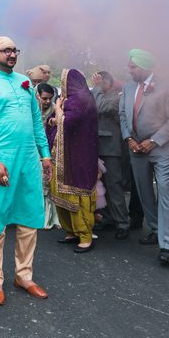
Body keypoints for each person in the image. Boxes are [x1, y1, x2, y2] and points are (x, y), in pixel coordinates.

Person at [0, 37, 52, 306]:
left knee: (29, 218)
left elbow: (36, 123)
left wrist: (46, 155)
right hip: (2, 161)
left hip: (29, 160)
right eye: (6, 50)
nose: (12, 54)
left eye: (15, 50)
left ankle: (24, 276)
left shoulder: (25, 83)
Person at [119, 49, 169, 266]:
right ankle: (156, 229)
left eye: (133, 66)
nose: (129, 70)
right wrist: (128, 138)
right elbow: (122, 115)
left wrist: (153, 141)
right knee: (144, 193)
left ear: (145, 67)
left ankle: (168, 245)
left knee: (165, 192)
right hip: (135, 148)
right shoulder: (128, 87)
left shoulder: (168, 86)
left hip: (161, 148)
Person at [48, 69, 99, 253]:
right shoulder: (71, 100)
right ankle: (71, 231)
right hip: (64, 156)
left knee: (77, 193)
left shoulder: (81, 100)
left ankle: (85, 236)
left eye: (64, 81)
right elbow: (58, 121)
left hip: (78, 156)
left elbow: (67, 122)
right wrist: (56, 118)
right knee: (61, 193)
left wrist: (58, 110)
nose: (63, 85)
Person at [92, 71, 132, 240]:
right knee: (102, 187)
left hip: (112, 148)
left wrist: (96, 87)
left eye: (101, 82)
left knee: (114, 186)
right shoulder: (100, 95)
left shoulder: (116, 98)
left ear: (108, 83)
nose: (99, 85)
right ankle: (108, 218)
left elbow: (100, 107)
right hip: (99, 146)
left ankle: (123, 222)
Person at [37, 82, 61, 230]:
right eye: (44, 98)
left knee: (49, 184)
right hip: (33, 152)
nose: (47, 101)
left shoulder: (54, 110)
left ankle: (52, 218)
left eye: (50, 98)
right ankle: (38, 217)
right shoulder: (31, 109)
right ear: (37, 96)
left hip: (50, 152)